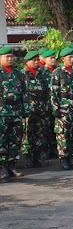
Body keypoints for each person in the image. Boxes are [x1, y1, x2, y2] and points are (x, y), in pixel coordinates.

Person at [50, 47, 73, 170]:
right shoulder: (57, 72)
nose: (72, 59)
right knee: (63, 135)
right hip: (63, 110)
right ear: (63, 59)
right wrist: (55, 108)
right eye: (70, 57)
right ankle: (63, 159)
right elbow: (54, 92)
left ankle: (72, 158)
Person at [0, 47, 27, 180]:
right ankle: (2, 167)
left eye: (11, 56)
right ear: (1, 58)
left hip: (16, 112)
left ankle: (11, 165)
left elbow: (24, 94)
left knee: (15, 141)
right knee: (2, 141)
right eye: (7, 56)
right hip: (2, 114)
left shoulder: (18, 74)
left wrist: (25, 111)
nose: (10, 59)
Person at [22, 50, 50, 168]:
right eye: (34, 60)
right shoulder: (22, 74)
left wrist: (47, 106)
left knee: (40, 134)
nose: (37, 62)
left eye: (38, 60)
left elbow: (46, 91)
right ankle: (28, 157)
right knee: (28, 134)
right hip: (29, 110)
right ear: (28, 62)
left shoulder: (41, 74)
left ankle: (38, 157)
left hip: (41, 109)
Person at [40, 49, 58, 158]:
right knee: (45, 127)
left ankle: (53, 148)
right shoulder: (41, 72)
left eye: (54, 58)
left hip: (56, 104)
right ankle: (45, 150)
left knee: (54, 127)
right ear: (45, 60)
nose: (53, 60)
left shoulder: (58, 70)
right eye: (50, 58)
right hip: (45, 104)